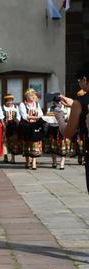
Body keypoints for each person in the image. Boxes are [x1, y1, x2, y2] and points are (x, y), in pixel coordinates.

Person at [57, 63, 89, 191]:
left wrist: (59, 117)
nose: (79, 83)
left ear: (85, 79)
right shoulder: (78, 103)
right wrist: (74, 104)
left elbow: (68, 133)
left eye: (79, 80)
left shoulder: (80, 102)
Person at [18, 88, 44, 170]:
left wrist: (34, 117)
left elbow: (41, 114)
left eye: (33, 95)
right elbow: (24, 116)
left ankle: (33, 162)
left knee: (35, 143)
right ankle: (27, 161)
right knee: (27, 144)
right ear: (26, 96)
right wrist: (36, 117)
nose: (32, 97)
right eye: (30, 95)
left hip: (35, 126)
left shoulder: (36, 104)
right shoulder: (22, 104)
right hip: (26, 126)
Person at [49, 98, 71, 169]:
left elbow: (69, 118)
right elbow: (48, 117)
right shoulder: (51, 109)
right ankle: (54, 162)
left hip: (63, 128)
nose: (57, 103)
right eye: (56, 102)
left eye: (59, 102)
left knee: (63, 145)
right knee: (53, 146)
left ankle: (62, 163)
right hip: (53, 127)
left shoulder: (67, 109)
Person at [2, 94, 21, 163]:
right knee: (5, 141)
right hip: (5, 126)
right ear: (5, 101)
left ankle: (13, 158)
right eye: (7, 101)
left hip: (14, 126)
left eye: (10, 100)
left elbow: (19, 116)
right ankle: (5, 156)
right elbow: (1, 116)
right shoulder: (2, 108)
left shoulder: (16, 107)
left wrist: (17, 121)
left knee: (13, 142)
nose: (9, 102)